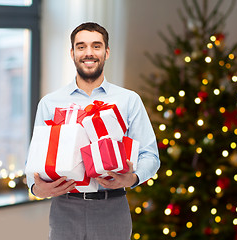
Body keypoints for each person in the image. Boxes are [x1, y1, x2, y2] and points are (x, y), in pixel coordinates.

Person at [26, 22, 160, 240]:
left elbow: (150, 155)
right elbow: (33, 159)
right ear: (72, 53)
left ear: (106, 52)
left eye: (96, 46)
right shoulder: (49, 103)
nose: (89, 53)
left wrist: (131, 179)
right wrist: (35, 188)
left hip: (112, 208)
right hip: (64, 208)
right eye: (81, 47)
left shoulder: (128, 100)